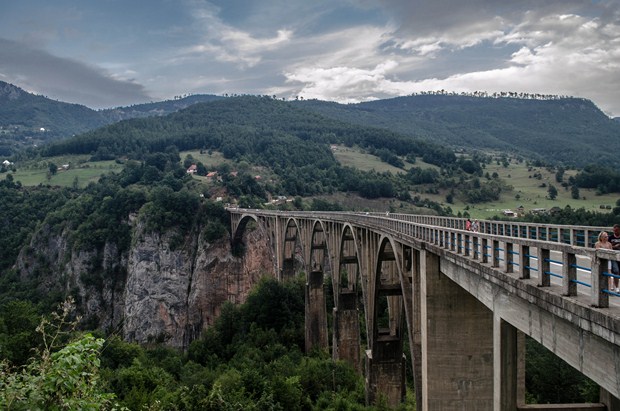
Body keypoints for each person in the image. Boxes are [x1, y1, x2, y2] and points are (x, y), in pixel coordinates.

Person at [607, 224, 620, 292]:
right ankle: (617, 287)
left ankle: (615, 286)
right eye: (614, 230)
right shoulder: (610, 238)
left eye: (616, 230)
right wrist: (615, 247)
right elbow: (608, 246)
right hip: (613, 256)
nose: (615, 232)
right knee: (616, 271)